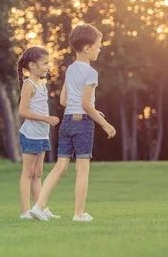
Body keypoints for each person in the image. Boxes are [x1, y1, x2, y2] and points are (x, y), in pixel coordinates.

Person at [29, 24, 116, 222]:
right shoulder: (91, 73)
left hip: (67, 121)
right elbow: (86, 104)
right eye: (98, 46)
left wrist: (89, 110)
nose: (99, 49)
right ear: (87, 48)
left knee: (60, 166)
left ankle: (39, 206)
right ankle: (78, 214)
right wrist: (104, 123)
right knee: (82, 168)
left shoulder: (70, 69)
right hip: (83, 124)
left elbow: (63, 101)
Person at [17, 46, 61, 220]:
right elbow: (22, 112)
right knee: (28, 173)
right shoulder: (29, 85)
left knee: (38, 173)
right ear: (32, 66)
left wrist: (46, 121)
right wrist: (45, 118)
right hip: (30, 135)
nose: (47, 66)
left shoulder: (42, 84)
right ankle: (25, 212)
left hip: (41, 135)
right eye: (44, 63)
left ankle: (39, 208)